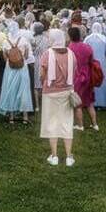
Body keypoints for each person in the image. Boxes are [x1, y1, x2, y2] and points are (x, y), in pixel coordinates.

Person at [38, 27, 76, 166]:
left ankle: (54, 156)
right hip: (67, 91)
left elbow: (42, 74)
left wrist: (44, 81)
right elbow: (74, 72)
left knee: (51, 122)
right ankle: (69, 156)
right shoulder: (71, 53)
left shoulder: (47, 54)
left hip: (50, 92)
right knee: (66, 123)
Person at [0, 23, 34, 124]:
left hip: (10, 68)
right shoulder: (24, 40)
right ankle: (25, 117)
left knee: (10, 89)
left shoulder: (5, 42)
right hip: (22, 67)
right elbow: (26, 56)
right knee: (24, 90)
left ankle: (11, 117)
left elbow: (5, 58)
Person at [67, 26, 97, 132]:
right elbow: (91, 60)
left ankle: (80, 125)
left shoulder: (69, 48)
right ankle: (95, 124)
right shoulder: (87, 46)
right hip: (87, 75)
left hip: (76, 76)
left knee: (77, 103)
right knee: (89, 102)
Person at [85, 22, 106, 111]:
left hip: (91, 63)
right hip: (102, 63)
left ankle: (92, 102)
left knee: (92, 81)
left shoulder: (88, 38)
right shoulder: (104, 39)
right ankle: (103, 102)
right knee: (102, 81)